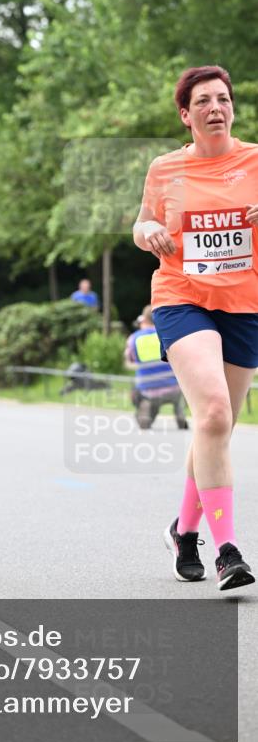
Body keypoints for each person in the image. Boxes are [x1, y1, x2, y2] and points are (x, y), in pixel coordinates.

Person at [133, 65, 257, 592]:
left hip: (244, 304)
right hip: (182, 297)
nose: (215, 108)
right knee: (213, 412)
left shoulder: (255, 161)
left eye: (223, 99)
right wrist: (149, 230)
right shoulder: (166, 169)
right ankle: (228, 550)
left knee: (214, 428)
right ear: (186, 115)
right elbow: (141, 223)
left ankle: (183, 532)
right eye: (203, 101)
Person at [125, 306, 188, 429]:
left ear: (143, 320)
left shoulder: (133, 339)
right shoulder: (170, 334)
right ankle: (179, 411)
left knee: (135, 389)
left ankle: (146, 408)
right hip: (175, 389)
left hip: (148, 390)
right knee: (181, 388)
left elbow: (129, 361)